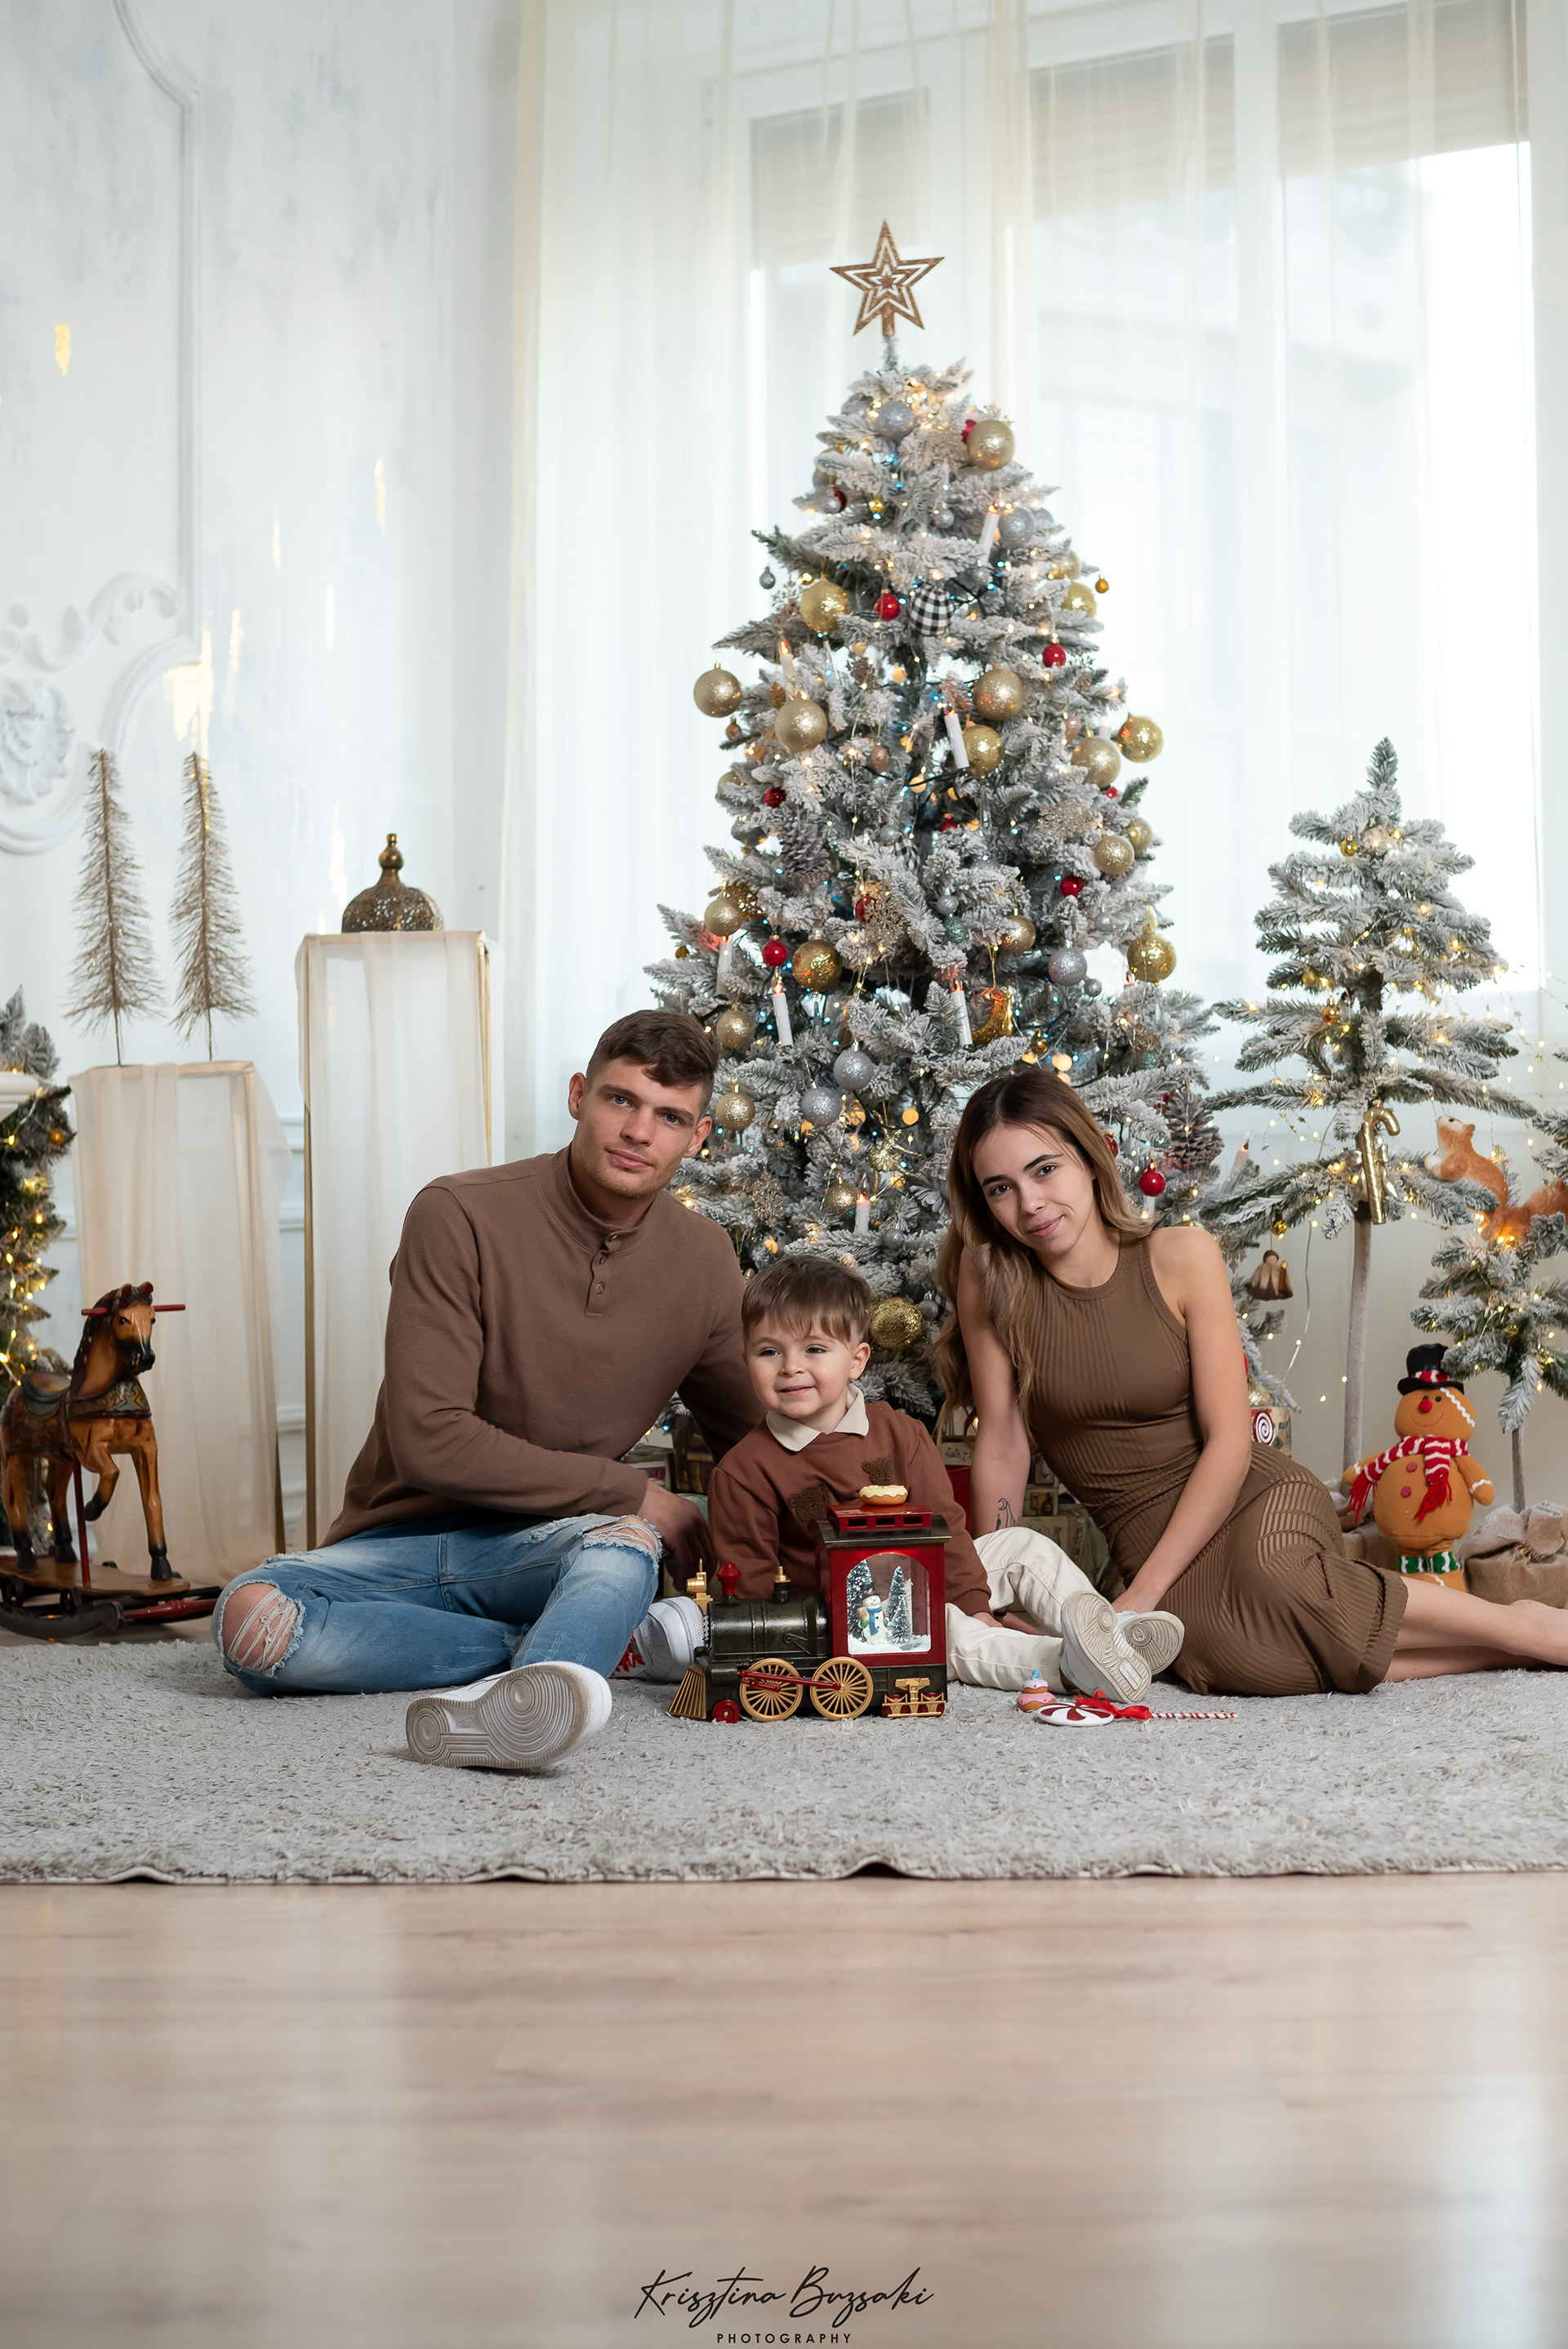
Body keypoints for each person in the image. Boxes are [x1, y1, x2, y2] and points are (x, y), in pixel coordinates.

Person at [212, 1012, 760, 1769]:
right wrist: (633, 1492)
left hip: (559, 1548)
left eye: (669, 1117)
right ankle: (551, 1659)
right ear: (579, 1095)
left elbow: (761, 1438)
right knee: (247, 1620)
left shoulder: (703, 1258)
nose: (639, 1132)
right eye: (621, 1100)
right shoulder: (458, 1212)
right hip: (397, 1549)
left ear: (697, 1138)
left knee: (623, 1549)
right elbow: (431, 1440)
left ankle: (533, 1694)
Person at [934, 1066, 1568, 1697]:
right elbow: (1004, 1443)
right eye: (1001, 1188)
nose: (1030, 1204)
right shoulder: (989, 1279)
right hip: (1143, 1535)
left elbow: (1230, 1440)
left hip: (1248, 1494)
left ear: (1090, 1158)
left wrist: (1142, 1596)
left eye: (1045, 1169)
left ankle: (1523, 1626)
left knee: (1274, 1577)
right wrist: (988, 1592)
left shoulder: (1181, 1256)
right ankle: (1504, 1650)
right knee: (1222, 1659)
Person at [697, 1255, 1183, 1704]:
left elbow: (946, 1528)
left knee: (1021, 1546)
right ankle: (1068, 1665)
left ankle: (1111, 1634)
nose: (791, 1367)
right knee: (945, 1629)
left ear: (856, 1360)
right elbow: (753, 1589)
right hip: (852, 1616)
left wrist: (976, 1604)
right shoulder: (743, 1471)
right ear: (746, 1362)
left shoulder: (901, 1433)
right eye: (769, 1352)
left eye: (814, 1349)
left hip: (923, 1570)